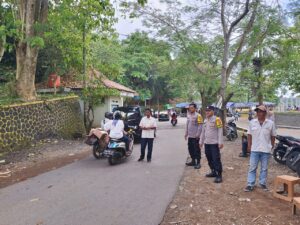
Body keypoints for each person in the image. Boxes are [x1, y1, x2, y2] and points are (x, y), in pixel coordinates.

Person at [244, 105, 276, 192]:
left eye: (261, 111)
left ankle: (262, 183)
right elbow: (249, 135)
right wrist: (249, 146)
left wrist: (271, 145)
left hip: (265, 149)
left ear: (265, 113)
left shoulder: (270, 123)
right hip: (255, 149)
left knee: (264, 168)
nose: (259, 113)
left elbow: (273, 136)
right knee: (252, 167)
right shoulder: (252, 122)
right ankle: (250, 184)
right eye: (258, 111)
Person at [199, 105, 224, 183]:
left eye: (209, 111)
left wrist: (220, 142)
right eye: (206, 111)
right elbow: (203, 132)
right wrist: (201, 141)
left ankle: (219, 175)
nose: (207, 112)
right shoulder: (205, 120)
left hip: (214, 144)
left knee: (216, 159)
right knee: (209, 158)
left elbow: (220, 131)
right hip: (207, 143)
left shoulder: (217, 119)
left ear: (213, 111)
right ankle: (213, 171)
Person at [185, 103, 203, 169]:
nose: (190, 109)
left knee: (197, 150)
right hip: (190, 136)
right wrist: (186, 133)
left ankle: (198, 163)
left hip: (196, 137)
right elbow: (187, 124)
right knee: (190, 149)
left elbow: (200, 126)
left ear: (195, 108)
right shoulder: (189, 115)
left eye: (192, 108)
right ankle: (193, 161)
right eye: (190, 108)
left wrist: (197, 135)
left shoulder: (198, 116)